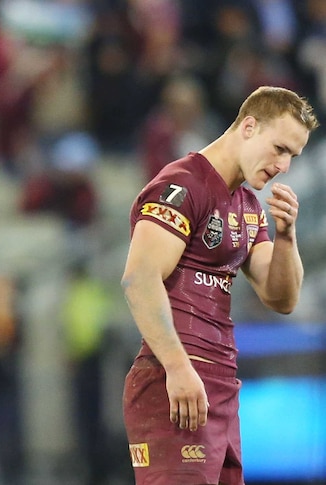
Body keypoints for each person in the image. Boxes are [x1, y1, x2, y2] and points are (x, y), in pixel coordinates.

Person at [120, 85, 318, 484]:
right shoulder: (180, 186)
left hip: (221, 387)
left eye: (293, 157)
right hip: (172, 382)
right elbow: (139, 279)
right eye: (279, 149)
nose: (284, 166)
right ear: (248, 127)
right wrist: (178, 368)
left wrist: (287, 235)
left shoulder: (246, 206)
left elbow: (282, 298)